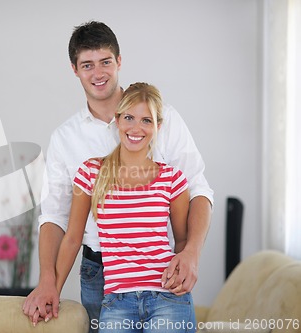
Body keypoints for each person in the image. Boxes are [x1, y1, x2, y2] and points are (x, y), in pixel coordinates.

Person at [22, 21, 213, 331]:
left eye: (106, 62)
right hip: (101, 274)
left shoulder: (165, 119)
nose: (98, 73)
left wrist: (190, 253)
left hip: (161, 275)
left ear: (119, 61)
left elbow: (198, 190)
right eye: (87, 65)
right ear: (75, 69)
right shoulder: (66, 139)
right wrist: (48, 281)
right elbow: (55, 218)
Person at [55, 82, 195, 332]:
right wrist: (52, 289)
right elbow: (72, 239)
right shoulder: (91, 172)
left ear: (157, 127)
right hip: (116, 303)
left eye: (146, 120)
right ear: (117, 121)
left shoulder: (173, 179)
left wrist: (183, 275)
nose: (136, 128)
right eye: (129, 117)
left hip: (168, 300)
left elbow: (183, 243)